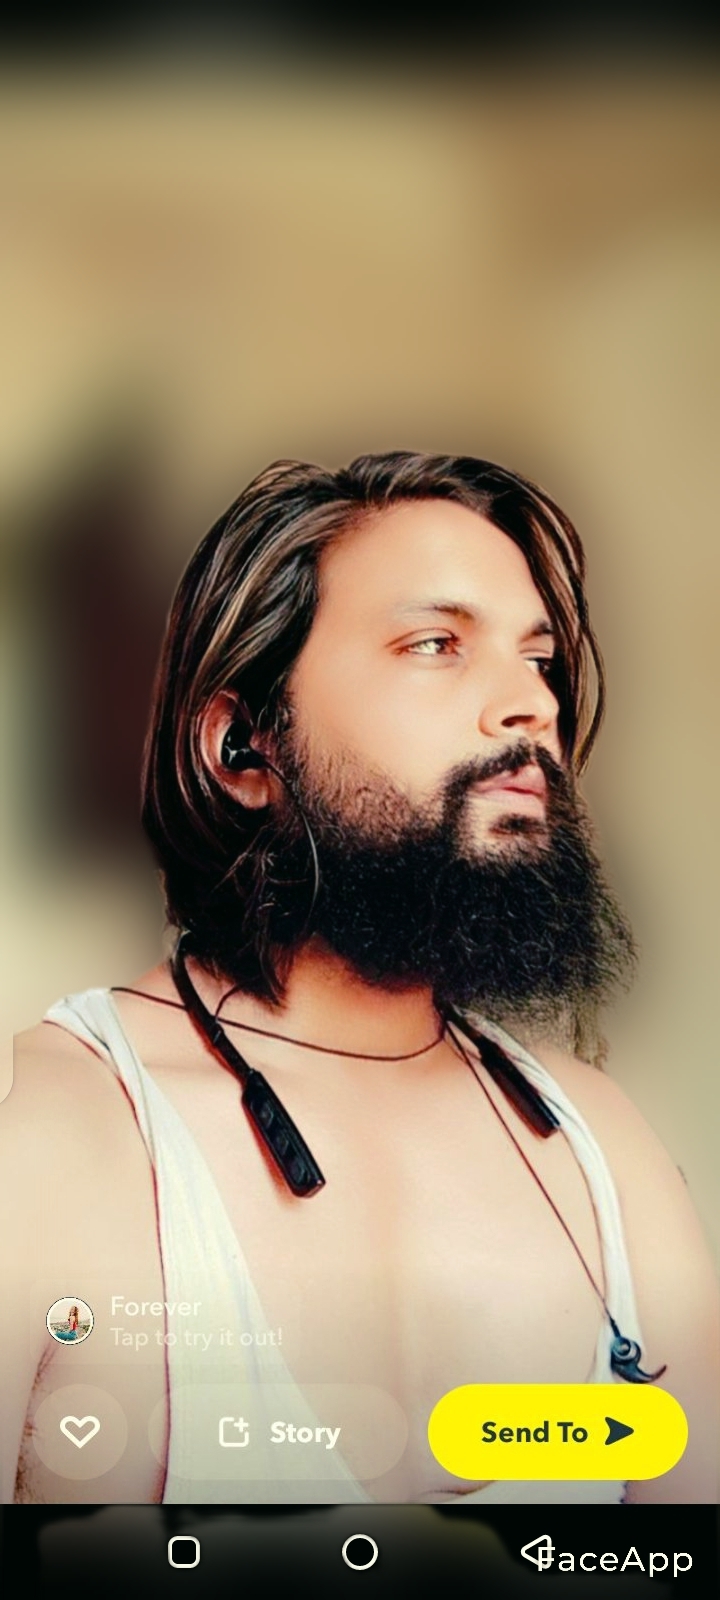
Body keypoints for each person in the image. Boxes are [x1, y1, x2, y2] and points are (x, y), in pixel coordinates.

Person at [4, 452, 718, 1507]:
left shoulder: (602, 1151)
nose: (529, 706)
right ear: (242, 746)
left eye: (539, 660)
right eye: (437, 644)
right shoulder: (52, 1130)